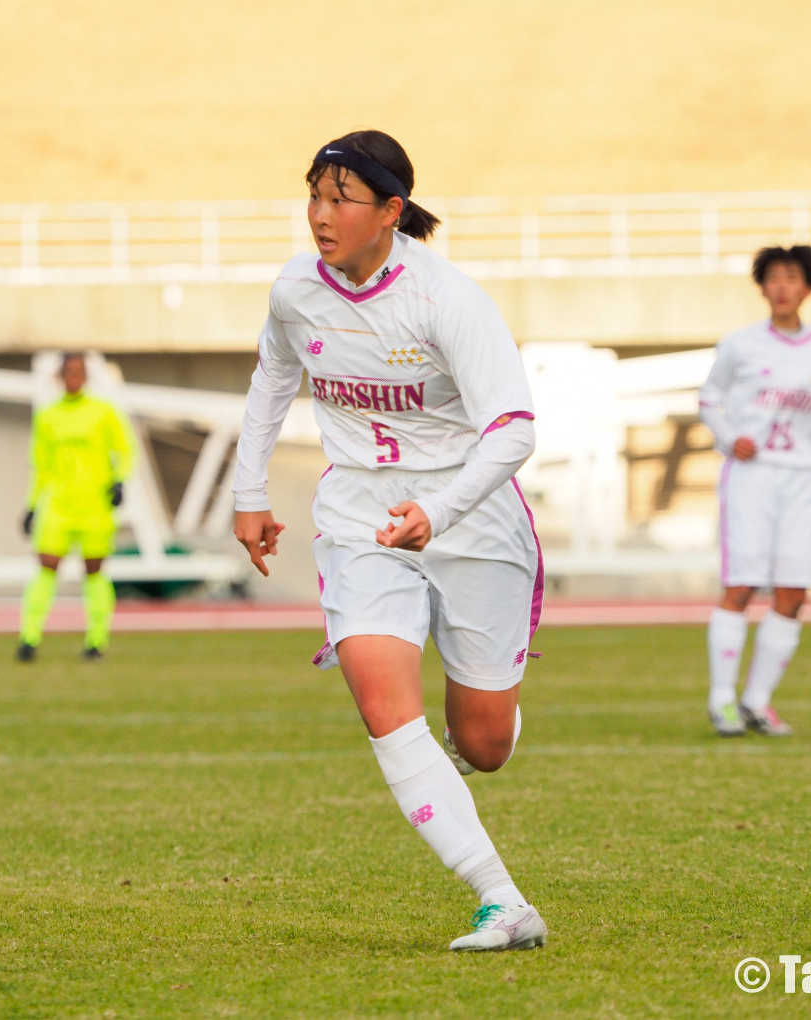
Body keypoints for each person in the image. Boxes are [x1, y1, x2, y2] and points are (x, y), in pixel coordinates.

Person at [231, 131, 547, 952]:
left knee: (483, 745)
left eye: (342, 199)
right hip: (359, 518)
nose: (321, 216)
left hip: (471, 517)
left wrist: (437, 513)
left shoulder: (448, 300)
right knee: (382, 703)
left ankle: (484, 720)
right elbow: (273, 377)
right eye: (314, 195)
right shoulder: (296, 291)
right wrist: (250, 493)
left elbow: (513, 433)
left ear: (392, 212)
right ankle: (500, 898)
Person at [698, 246, 811, 737]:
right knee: (742, 585)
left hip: (798, 475)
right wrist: (731, 438)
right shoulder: (739, 344)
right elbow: (709, 399)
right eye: (773, 277)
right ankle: (721, 699)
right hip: (751, 476)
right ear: (762, 286)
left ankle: (756, 701)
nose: (782, 286)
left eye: (792, 278)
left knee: (793, 590)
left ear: (807, 287)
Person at [17, 352, 132, 662]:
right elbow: (41, 466)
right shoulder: (46, 416)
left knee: (94, 573)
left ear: (86, 376)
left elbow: (125, 449)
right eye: (69, 371)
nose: (74, 377)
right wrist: (31, 506)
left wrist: (120, 482)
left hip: (95, 508)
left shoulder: (103, 412)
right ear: (60, 375)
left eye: (79, 371)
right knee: (46, 567)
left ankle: (97, 641)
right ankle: (29, 638)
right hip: (58, 507)